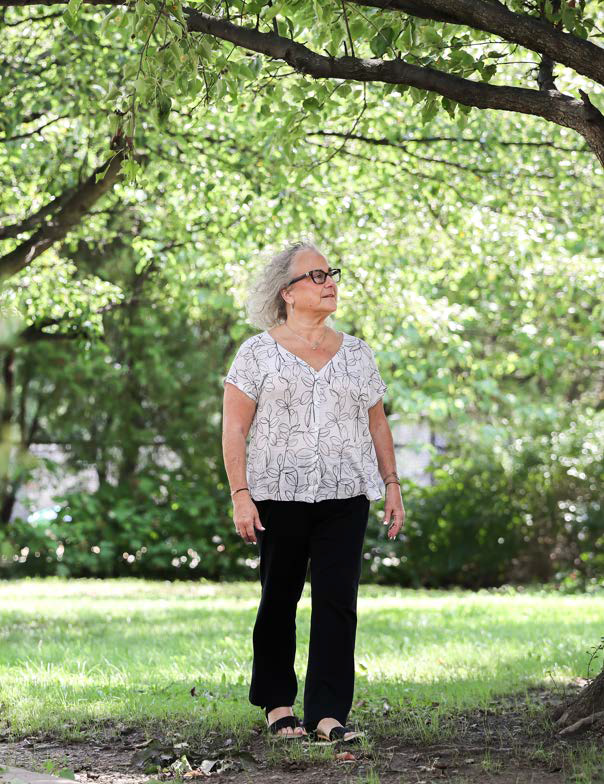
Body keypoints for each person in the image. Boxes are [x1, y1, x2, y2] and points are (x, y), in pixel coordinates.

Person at [221, 239, 405, 744]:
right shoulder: (256, 353)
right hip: (276, 495)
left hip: (346, 495)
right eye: (318, 276)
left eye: (331, 274)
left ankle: (327, 713)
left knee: (337, 601)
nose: (330, 284)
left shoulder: (357, 354)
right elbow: (234, 429)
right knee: (278, 598)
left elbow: (378, 425)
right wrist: (240, 492)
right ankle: (278, 705)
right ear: (287, 291)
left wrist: (391, 484)